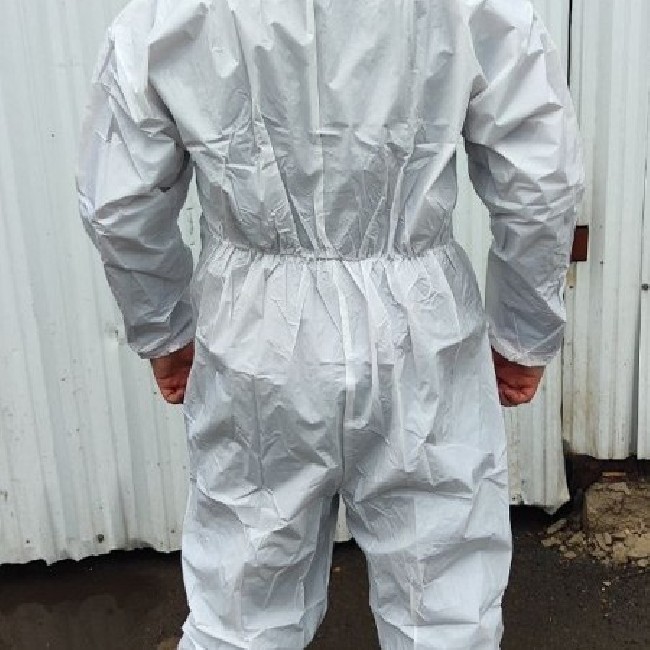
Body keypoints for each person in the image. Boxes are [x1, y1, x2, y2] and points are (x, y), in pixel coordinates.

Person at [77, 0, 584, 647]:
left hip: (255, 332)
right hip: (419, 328)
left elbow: (119, 203)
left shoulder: (163, 13)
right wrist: (523, 334)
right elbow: (541, 181)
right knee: (444, 604)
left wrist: (164, 329)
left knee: (243, 605)